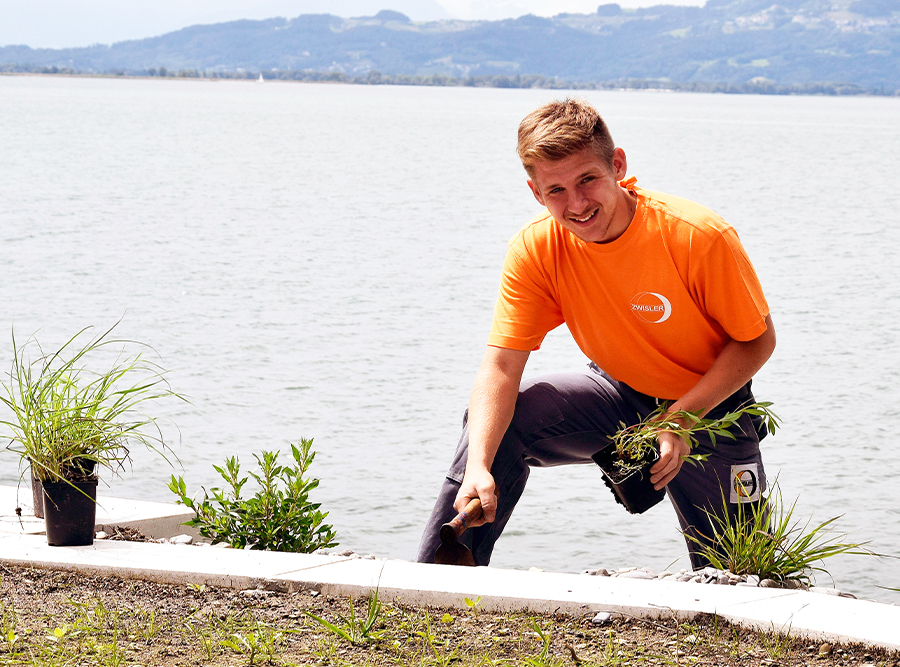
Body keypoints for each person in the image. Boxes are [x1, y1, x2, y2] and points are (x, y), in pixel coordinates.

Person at [416, 98, 776, 569]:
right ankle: (434, 584)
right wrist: (479, 466)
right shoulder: (537, 249)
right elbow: (501, 366)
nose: (577, 204)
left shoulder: (695, 235)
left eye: (587, 179)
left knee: (740, 575)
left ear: (618, 165)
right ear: (535, 193)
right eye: (556, 190)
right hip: (616, 392)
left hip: (711, 408)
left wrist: (680, 419)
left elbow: (757, 341)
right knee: (497, 425)